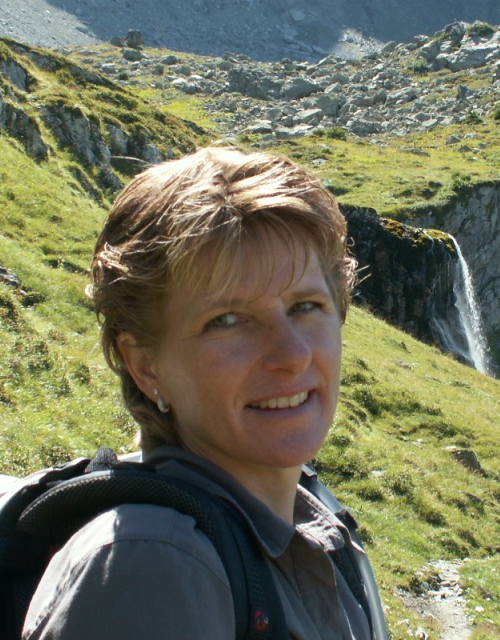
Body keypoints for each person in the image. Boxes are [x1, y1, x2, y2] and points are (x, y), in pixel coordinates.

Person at [23, 146, 377, 639]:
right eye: (227, 320)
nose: (292, 355)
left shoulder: (312, 523)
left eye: (306, 306)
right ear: (145, 365)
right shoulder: (151, 571)